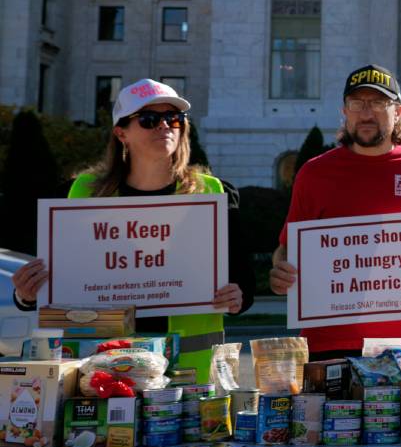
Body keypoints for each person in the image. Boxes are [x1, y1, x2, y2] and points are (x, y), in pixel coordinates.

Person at [10, 79, 253, 381]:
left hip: (192, 378)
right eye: (149, 119)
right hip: (102, 374)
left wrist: (236, 297)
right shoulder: (81, 194)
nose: (164, 126)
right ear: (121, 133)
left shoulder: (212, 193)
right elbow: (57, 282)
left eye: (174, 119)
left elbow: (244, 284)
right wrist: (26, 295)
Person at [268, 65, 401, 364]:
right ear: (345, 111)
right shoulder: (314, 173)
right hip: (329, 341)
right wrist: (280, 272)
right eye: (357, 104)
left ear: (398, 112)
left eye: (379, 103)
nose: (366, 113)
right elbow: (288, 248)